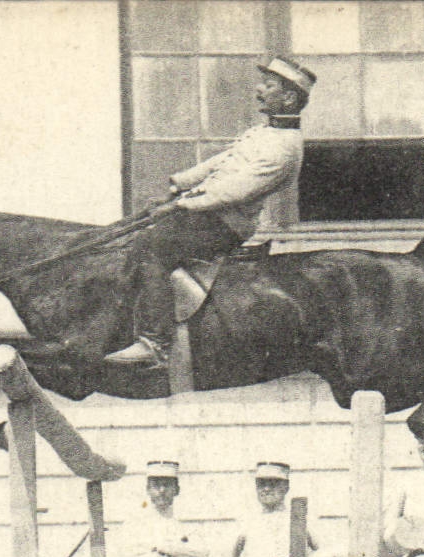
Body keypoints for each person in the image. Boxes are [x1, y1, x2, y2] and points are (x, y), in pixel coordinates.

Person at [105, 57, 318, 370]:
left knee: (151, 248)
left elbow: (233, 191)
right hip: (206, 213)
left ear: (288, 97)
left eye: (268, 86)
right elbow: (221, 162)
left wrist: (180, 204)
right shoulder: (265, 132)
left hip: (224, 224)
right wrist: (178, 185)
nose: (259, 90)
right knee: (131, 233)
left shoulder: (284, 148)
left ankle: (154, 342)